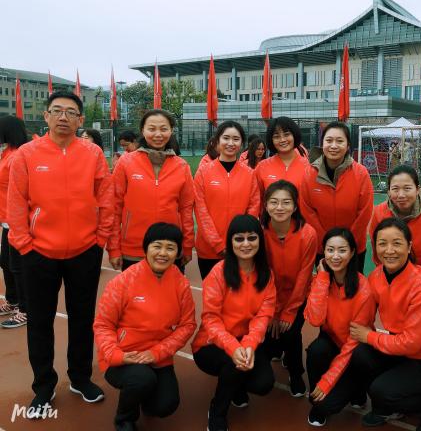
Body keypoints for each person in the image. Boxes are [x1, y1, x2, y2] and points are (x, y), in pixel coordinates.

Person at [7, 90, 114, 414]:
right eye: (57, 111)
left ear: (80, 119)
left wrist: (100, 240)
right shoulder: (26, 154)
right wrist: (25, 245)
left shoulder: (93, 153)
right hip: (39, 253)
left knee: (83, 319)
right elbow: (16, 203)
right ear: (46, 116)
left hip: (85, 251)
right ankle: (43, 386)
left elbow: (106, 197)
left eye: (70, 112)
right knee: (39, 322)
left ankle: (80, 378)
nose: (63, 117)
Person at [349, 218, 421, 431]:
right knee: (361, 355)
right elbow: (363, 315)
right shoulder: (377, 276)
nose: (389, 250)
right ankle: (389, 405)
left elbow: (410, 343)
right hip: (404, 351)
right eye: (382, 243)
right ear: (375, 247)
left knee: (381, 390)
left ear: (409, 247)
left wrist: (369, 336)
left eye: (397, 243)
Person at [94, 223, 196, 431]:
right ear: (146, 248)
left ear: (178, 253)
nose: (163, 253)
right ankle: (124, 419)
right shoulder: (123, 281)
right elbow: (103, 325)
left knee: (165, 406)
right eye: (157, 246)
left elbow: (187, 325)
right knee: (141, 379)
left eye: (170, 248)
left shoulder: (181, 283)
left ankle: (142, 394)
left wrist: (156, 353)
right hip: (123, 356)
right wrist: (116, 355)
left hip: (157, 357)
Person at [191, 215, 276, 431]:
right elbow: (211, 318)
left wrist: (248, 346)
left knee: (264, 383)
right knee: (233, 365)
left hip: (245, 341)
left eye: (252, 238)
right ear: (230, 242)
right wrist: (233, 347)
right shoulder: (218, 273)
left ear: (260, 241)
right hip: (211, 344)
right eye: (239, 239)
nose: (246, 244)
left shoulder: (266, 275)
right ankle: (217, 411)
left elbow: (263, 317)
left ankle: (236, 386)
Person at [304, 227, 376, 427]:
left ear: (352, 253)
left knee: (329, 404)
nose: (335, 256)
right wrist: (322, 279)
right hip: (333, 340)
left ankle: (358, 390)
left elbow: (353, 342)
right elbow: (315, 320)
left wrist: (327, 381)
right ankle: (319, 397)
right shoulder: (322, 280)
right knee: (317, 350)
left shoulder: (363, 289)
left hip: (355, 350)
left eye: (342, 250)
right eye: (330, 250)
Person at [107, 109, 195, 272]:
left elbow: (186, 210)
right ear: (143, 130)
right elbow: (114, 207)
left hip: (169, 249)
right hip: (133, 249)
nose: (158, 134)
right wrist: (113, 248)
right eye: (152, 129)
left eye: (164, 129)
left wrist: (187, 245)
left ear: (171, 130)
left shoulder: (182, 166)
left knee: (171, 289)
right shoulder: (126, 162)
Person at [261, 180, 317, 398]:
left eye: (286, 202)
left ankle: (295, 373)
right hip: (269, 297)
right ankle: (274, 351)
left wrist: (289, 311)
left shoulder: (307, 234)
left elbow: (304, 276)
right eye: (273, 202)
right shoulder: (261, 232)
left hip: (298, 297)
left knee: (291, 332)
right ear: (266, 205)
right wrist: (274, 311)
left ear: (295, 206)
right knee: (270, 337)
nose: (279, 207)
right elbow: (263, 274)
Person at [300, 121, 373, 272]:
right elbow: (307, 211)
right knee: (324, 283)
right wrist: (327, 243)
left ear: (348, 146)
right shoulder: (309, 174)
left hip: (353, 247)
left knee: (352, 285)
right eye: (329, 140)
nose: (333, 145)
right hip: (322, 247)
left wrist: (347, 243)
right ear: (322, 144)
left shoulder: (361, 173)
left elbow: (364, 212)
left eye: (340, 141)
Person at [194, 121, 260, 279]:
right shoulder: (203, 172)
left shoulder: (249, 174)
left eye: (236, 139)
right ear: (217, 141)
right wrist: (217, 244)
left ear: (242, 143)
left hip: (240, 249)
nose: (231, 143)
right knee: (211, 292)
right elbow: (201, 212)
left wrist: (240, 240)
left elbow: (253, 208)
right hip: (209, 251)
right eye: (226, 138)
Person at [369, 165, 421, 279]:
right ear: (388, 191)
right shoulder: (379, 213)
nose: (401, 195)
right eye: (395, 189)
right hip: (388, 277)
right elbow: (377, 251)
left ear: (417, 190)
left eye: (407, 188)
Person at [0, 115, 28, 328]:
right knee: (6, 263)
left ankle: (26, 309)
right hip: (6, 220)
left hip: (16, 221)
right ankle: (13, 300)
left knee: (18, 267)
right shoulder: (7, 152)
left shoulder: (19, 155)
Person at [255, 117, 309, 197]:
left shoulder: (308, 167)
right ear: (271, 140)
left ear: (294, 135)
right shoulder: (262, 167)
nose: (282, 140)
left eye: (287, 134)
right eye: (277, 136)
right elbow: (256, 198)